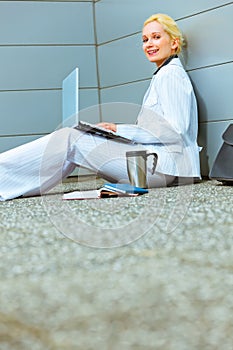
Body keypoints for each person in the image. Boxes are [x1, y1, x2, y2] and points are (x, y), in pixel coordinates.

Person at [0, 13, 201, 201]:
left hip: (162, 168)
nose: (149, 44)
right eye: (145, 39)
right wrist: (115, 132)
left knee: (69, 139)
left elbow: (176, 131)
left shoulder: (171, 75)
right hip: (157, 165)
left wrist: (120, 129)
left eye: (156, 37)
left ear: (174, 43)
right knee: (74, 139)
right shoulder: (163, 74)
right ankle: (8, 186)